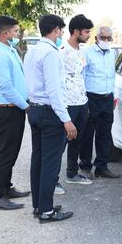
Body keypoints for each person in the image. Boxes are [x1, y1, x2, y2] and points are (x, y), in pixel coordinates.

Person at [24, 14, 75, 223]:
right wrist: (67, 119)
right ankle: (46, 211)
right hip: (49, 112)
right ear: (55, 30)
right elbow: (54, 91)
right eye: (61, 30)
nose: (62, 34)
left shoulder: (32, 51)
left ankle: (39, 205)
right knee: (50, 164)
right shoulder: (51, 54)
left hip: (34, 110)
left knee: (38, 160)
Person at [0, 16, 31, 210]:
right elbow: (5, 87)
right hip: (6, 111)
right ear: (5, 34)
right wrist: (26, 106)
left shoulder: (9, 50)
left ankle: (6, 187)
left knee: (11, 152)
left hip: (14, 109)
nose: (17, 35)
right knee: (5, 153)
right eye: (15, 31)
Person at [55, 14, 94, 194]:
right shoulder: (61, 52)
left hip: (81, 101)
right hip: (67, 104)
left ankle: (72, 173)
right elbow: (56, 81)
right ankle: (53, 180)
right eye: (86, 31)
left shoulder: (81, 51)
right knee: (60, 143)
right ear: (76, 31)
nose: (88, 35)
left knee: (77, 141)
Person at [80, 26, 120, 179]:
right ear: (96, 38)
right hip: (91, 97)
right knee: (88, 133)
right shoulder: (87, 53)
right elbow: (82, 76)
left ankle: (101, 167)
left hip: (107, 98)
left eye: (109, 38)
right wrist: (84, 100)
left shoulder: (112, 53)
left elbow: (112, 76)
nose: (106, 41)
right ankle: (85, 166)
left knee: (105, 133)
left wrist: (113, 96)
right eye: (103, 37)